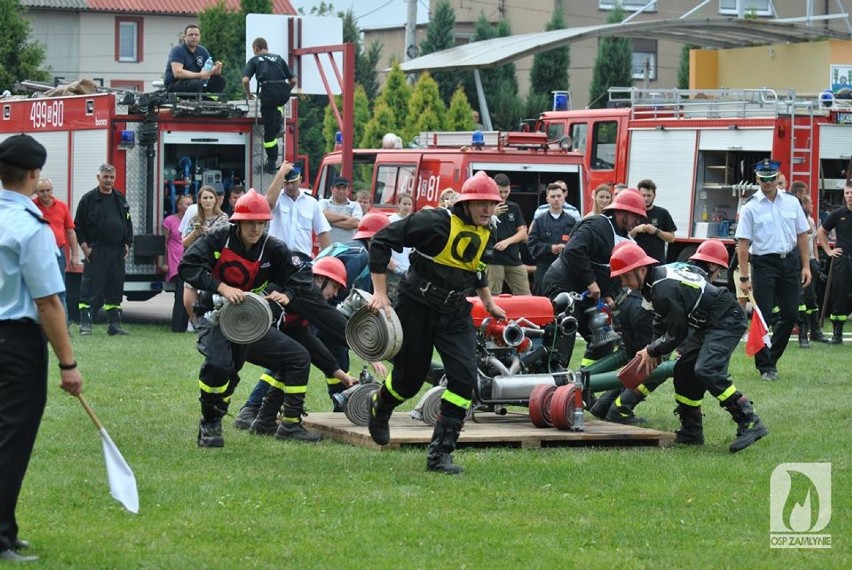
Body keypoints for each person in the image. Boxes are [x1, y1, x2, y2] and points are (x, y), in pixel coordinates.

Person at [366, 171, 507, 474]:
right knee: (409, 380)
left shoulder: (489, 231)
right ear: (465, 203)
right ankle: (381, 404)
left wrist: (489, 302)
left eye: (491, 204)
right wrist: (380, 293)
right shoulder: (434, 222)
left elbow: (477, 267)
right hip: (416, 306)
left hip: (455, 311)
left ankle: (440, 454)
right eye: (480, 203)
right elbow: (380, 241)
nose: (487, 209)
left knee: (465, 379)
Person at [179, 189, 322, 447]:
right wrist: (221, 287)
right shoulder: (216, 239)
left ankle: (289, 424)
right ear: (238, 222)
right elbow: (187, 265)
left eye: (261, 222)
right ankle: (210, 421)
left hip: (252, 323)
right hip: (215, 317)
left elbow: (302, 272)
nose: (256, 228)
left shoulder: (273, 247)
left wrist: (287, 294)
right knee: (219, 366)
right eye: (250, 222)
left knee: (298, 357)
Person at [0, 134, 83, 563]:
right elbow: (49, 302)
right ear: (34, 175)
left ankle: (7, 528)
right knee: (11, 438)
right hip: (15, 343)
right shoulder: (31, 229)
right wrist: (68, 363)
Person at [609, 242, 767, 453]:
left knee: (707, 369)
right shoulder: (652, 284)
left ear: (642, 269)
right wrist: (652, 348)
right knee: (684, 371)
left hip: (725, 318)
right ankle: (692, 431)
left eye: (626, 276)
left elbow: (678, 332)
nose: (625, 283)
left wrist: (653, 351)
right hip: (706, 321)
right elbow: (661, 321)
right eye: (621, 278)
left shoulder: (661, 287)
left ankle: (749, 420)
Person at [233, 256, 361, 432]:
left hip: (248, 331)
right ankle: (289, 425)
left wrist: (340, 375)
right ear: (321, 279)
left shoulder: (299, 300)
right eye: (335, 286)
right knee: (298, 358)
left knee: (292, 357)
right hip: (248, 330)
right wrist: (365, 346)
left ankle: (264, 420)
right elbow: (333, 321)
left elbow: (308, 341)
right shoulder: (306, 289)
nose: (335, 294)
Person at [541, 189, 646, 366]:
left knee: (604, 341)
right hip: (564, 287)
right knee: (563, 338)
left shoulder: (626, 240)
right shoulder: (597, 225)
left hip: (589, 295)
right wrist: (591, 282)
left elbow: (617, 272)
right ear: (621, 212)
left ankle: (586, 383)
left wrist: (609, 294)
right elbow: (573, 250)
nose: (638, 222)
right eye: (636, 216)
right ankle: (553, 387)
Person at [736, 159, 811, 381]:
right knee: (763, 316)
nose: (768, 182)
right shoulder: (750, 207)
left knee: (790, 314)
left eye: (772, 178)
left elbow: (802, 235)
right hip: (763, 263)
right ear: (757, 179)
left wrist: (806, 265)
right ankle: (765, 367)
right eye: (764, 178)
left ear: (778, 177)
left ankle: (772, 358)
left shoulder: (791, 202)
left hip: (789, 262)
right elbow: (743, 244)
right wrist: (744, 276)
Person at [75, 163, 133, 336]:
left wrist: (127, 244)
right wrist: (85, 247)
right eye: (105, 177)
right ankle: (85, 324)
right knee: (90, 287)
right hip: (97, 250)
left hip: (116, 252)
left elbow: (127, 222)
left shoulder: (120, 198)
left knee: (115, 287)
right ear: (98, 177)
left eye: (111, 177)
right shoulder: (88, 199)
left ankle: (114, 325)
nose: (108, 180)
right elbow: (79, 225)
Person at [242, 37, 298, 174]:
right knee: (277, 106)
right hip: (283, 91)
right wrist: (285, 91)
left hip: (268, 92)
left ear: (256, 48)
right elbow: (294, 79)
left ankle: (271, 163)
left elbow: (245, 80)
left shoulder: (255, 60)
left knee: (269, 133)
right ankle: (279, 124)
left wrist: (249, 94)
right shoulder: (278, 58)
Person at [33, 177, 81, 320]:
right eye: (41, 191)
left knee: (59, 290)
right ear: (36, 191)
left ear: (52, 190)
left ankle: (63, 326)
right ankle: (38, 326)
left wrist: (74, 255)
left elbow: (71, 231)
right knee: (37, 291)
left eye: (48, 190)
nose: (45, 194)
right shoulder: (30, 206)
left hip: (58, 253)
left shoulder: (61, 206)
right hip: (37, 254)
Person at [267, 165, 331, 258]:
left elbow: (322, 232)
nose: (290, 186)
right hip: (277, 257)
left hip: (302, 258)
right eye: (286, 183)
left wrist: (327, 259)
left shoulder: (311, 202)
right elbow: (268, 203)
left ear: (300, 180)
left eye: (293, 182)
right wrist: (280, 174)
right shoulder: (277, 199)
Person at [816, 180, 852, 344]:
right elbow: (821, 232)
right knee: (840, 295)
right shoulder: (838, 214)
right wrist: (829, 251)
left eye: (851, 193)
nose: (849, 196)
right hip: (843, 261)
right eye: (847, 193)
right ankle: (837, 334)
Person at [527, 183, 576, 295]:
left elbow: (577, 244)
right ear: (547, 199)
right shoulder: (539, 221)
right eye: (553, 196)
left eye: (559, 196)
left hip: (564, 268)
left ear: (564, 198)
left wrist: (566, 248)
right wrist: (550, 248)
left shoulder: (572, 221)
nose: (556, 199)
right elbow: (532, 245)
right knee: (541, 302)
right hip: (544, 268)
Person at [486, 173, 530, 295]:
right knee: (494, 295)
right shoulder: (486, 207)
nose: (503, 195)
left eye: (506, 191)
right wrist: (492, 215)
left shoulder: (514, 207)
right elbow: (478, 229)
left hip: (513, 258)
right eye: (500, 191)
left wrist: (507, 241)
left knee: (525, 295)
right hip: (493, 259)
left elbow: (523, 233)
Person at [798, 193, 826, 346]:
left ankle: (815, 331)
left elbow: (813, 243)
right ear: (803, 205)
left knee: (812, 299)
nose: (812, 207)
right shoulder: (797, 221)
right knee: (802, 300)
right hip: (799, 264)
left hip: (810, 262)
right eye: (810, 204)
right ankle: (803, 334)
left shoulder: (811, 221)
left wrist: (815, 260)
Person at [164, 24, 225, 94]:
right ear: (184, 37)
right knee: (197, 84)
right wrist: (200, 75)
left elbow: (208, 71)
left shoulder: (202, 50)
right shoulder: (177, 50)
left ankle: (209, 101)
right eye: (191, 34)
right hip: (175, 84)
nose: (194, 37)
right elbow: (178, 73)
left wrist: (217, 68)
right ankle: (197, 101)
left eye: (196, 35)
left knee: (220, 81)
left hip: (196, 82)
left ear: (199, 37)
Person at [162, 194, 193, 332]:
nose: (188, 207)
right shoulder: (169, 221)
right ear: (179, 206)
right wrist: (164, 263)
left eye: (190, 204)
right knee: (181, 293)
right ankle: (178, 326)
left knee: (184, 294)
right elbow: (164, 242)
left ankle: (185, 324)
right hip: (175, 261)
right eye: (185, 204)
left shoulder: (194, 221)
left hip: (189, 260)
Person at [630, 179, 677, 264]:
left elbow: (672, 238)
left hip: (657, 262)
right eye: (643, 195)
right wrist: (636, 230)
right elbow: (624, 238)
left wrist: (656, 231)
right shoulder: (632, 213)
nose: (646, 198)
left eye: (649, 195)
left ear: (654, 195)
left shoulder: (663, 213)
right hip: (636, 262)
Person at [320, 177, 363, 244]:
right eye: (338, 188)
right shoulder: (323, 202)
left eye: (344, 188)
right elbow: (322, 215)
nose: (341, 191)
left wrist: (329, 221)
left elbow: (355, 223)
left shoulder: (355, 205)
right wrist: (347, 218)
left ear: (348, 190)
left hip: (349, 249)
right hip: (327, 247)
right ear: (332, 189)